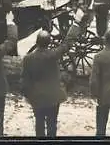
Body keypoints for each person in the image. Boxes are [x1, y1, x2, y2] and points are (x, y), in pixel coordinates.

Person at [21, 9, 85, 137]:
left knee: (39, 124)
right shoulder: (53, 54)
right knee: (52, 124)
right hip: (53, 97)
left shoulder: (28, 58)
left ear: (36, 42)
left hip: (36, 96)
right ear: (49, 42)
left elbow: (25, 80)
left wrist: (27, 95)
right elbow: (67, 43)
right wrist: (76, 22)